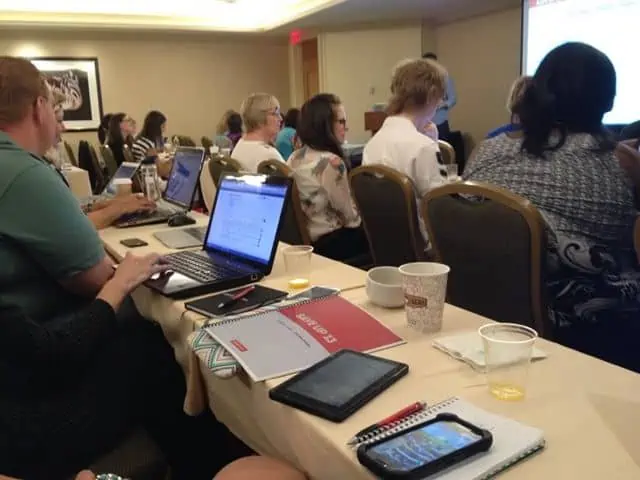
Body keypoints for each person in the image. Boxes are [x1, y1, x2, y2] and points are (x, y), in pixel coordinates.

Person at [0, 56, 245, 478]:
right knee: (156, 346)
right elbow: (94, 281)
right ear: (39, 107)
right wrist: (124, 279)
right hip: (27, 418)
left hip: (19, 379)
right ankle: (217, 463)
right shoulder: (23, 171)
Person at [463, 43, 640, 372]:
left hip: (477, 315)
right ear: (609, 101)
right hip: (576, 333)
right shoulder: (621, 164)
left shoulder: (486, 150)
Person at [363, 57, 447, 243]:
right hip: (424, 246)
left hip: (386, 242)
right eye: (440, 98)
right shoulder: (423, 147)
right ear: (431, 96)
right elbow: (441, 206)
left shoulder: (372, 145)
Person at [288, 93, 368, 261]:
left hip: (308, 239)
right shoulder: (331, 163)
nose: (345, 128)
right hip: (331, 244)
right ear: (323, 124)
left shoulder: (294, 157)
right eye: (341, 121)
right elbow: (351, 220)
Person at [232, 93, 284, 171]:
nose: (280, 118)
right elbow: (293, 182)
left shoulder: (241, 144)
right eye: (275, 113)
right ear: (259, 119)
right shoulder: (269, 156)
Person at [422, 52, 456, 139]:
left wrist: (441, 104)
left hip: (440, 122)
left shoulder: (445, 79)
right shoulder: (420, 81)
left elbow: (452, 99)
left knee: (442, 149)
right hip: (423, 122)